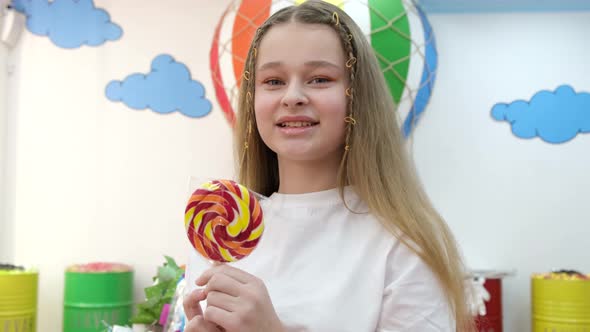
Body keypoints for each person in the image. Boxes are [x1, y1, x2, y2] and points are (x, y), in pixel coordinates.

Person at [183, 1, 474, 331]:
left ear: (356, 96)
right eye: (273, 81)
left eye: (320, 79)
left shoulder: (404, 242)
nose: (292, 96)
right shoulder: (219, 230)